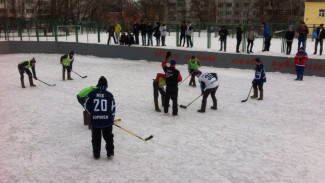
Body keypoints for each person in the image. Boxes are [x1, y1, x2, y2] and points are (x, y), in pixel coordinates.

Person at [84, 76, 115, 159]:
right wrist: (112, 119)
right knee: (109, 138)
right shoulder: (109, 95)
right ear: (106, 85)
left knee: (96, 139)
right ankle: (110, 153)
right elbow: (113, 108)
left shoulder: (92, 94)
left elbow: (86, 105)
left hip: (95, 121)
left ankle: (96, 154)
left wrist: (92, 113)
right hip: (107, 121)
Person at [162, 51, 182, 116]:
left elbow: (163, 64)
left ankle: (165, 111)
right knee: (174, 100)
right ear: (175, 64)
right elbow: (180, 79)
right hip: (174, 88)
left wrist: (166, 57)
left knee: (166, 99)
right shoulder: (177, 71)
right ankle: (174, 112)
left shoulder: (166, 69)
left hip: (168, 87)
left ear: (170, 64)